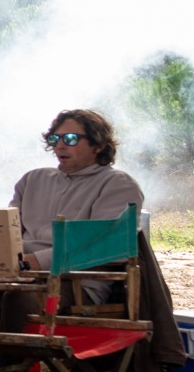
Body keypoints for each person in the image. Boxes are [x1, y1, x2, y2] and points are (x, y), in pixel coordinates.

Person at [10, 109, 145, 274]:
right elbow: (8, 231)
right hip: (21, 271)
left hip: (78, 280)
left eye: (70, 139)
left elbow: (106, 246)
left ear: (98, 145)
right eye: (54, 139)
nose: (59, 146)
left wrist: (37, 261)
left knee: (17, 299)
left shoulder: (117, 184)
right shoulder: (32, 179)